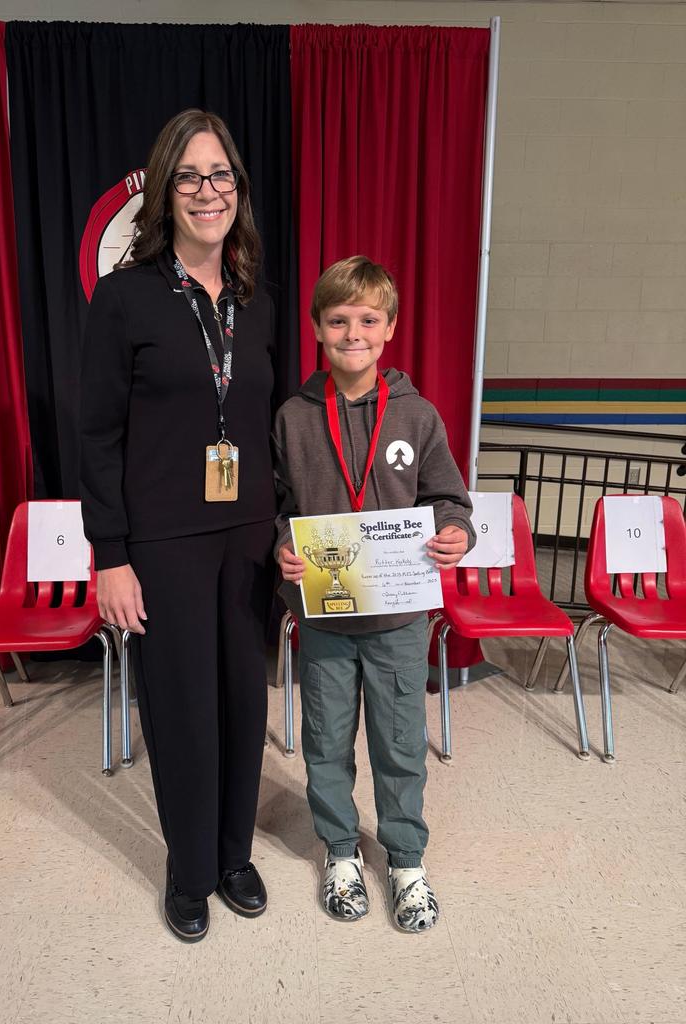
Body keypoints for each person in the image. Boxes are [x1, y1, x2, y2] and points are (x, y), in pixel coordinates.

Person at [80, 109, 277, 943]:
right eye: (191, 177)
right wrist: (111, 556)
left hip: (249, 538)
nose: (208, 191)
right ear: (166, 190)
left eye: (221, 175)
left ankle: (235, 853)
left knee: (240, 702)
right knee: (183, 709)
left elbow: (267, 424)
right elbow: (97, 435)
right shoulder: (125, 298)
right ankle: (190, 867)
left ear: (238, 188)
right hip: (162, 543)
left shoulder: (253, 301)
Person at [273, 256, 474, 933]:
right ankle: (339, 851)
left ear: (388, 329)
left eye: (366, 319)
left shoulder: (417, 416)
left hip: (397, 618)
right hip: (325, 620)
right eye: (337, 320)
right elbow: (276, 507)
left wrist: (455, 532)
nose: (352, 332)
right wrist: (280, 549)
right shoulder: (294, 417)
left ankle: (407, 860)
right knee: (326, 742)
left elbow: (448, 496)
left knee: (398, 744)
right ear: (318, 330)